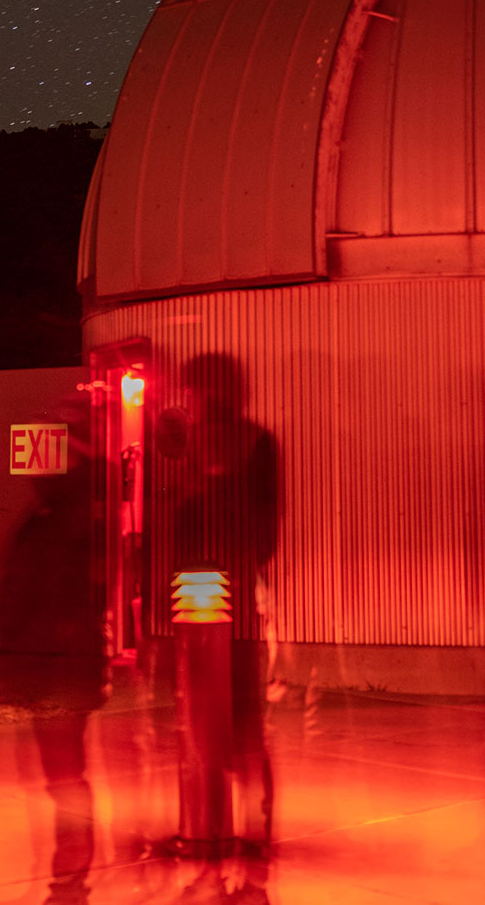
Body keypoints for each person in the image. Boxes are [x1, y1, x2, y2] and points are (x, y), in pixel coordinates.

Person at [152, 353, 280, 848]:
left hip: (198, 593)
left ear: (209, 390)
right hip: (233, 594)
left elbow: (175, 516)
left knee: (209, 715)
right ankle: (245, 824)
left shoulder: (199, 443)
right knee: (240, 720)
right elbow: (265, 527)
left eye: (193, 389)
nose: (188, 398)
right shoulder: (254, 441)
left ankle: (211, 824)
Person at [0, 434, 108, 904]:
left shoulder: (53, 525)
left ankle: (71, 876)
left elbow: (26, 601)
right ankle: (71, 872)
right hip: (59, 666)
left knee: (62, 775)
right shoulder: (64, 522)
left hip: (57, 667)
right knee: (64, 773)